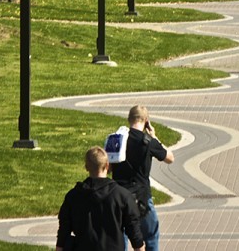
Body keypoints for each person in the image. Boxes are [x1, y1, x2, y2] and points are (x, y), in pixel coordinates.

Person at [55, 146, 145, 251]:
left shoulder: (73, 196)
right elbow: (134, 232)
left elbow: (63, 231)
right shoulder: (122, 195)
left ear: (86, 167)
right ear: (107, 165)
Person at [111, 105, 175, 251]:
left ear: (129, 119)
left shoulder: (117, 139)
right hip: (141, 197)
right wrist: (154, 137)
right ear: (146, 121)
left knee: (121, 237)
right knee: (150, 235)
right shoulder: (148, 141)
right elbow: (170, 158)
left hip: (119, 195)